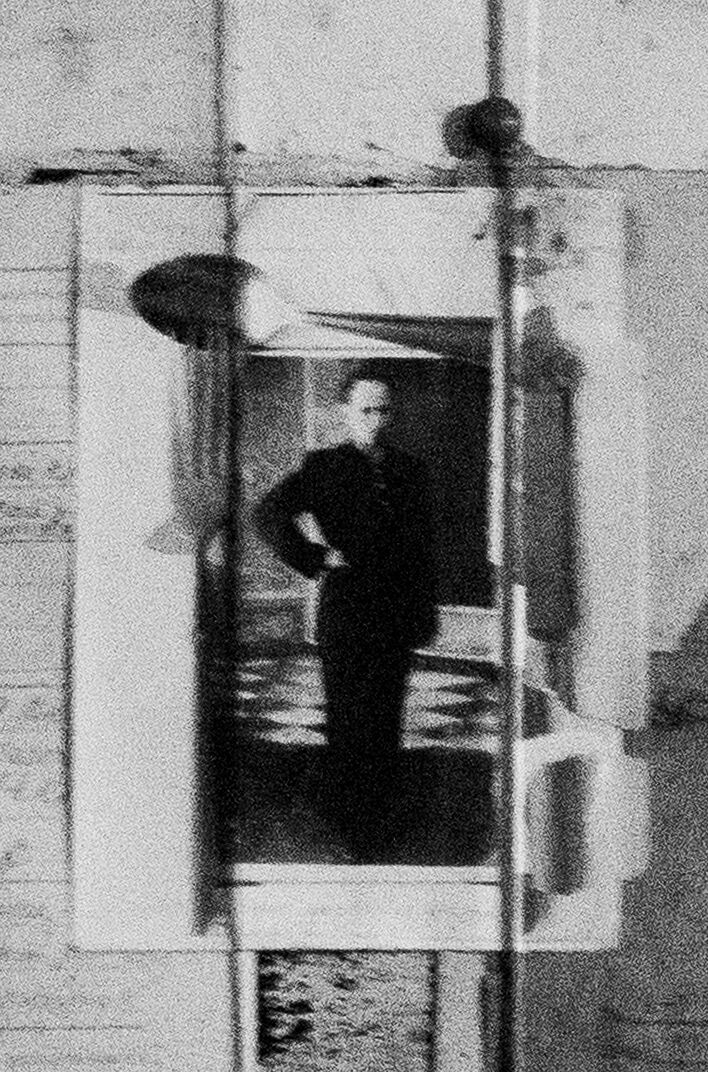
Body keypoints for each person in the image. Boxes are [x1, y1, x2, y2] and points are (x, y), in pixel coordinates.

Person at [254, 364, 438, 861]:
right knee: (348, 718)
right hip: (347, 614)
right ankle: (350, 824)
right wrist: (316, 558)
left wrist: (424, 614)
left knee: (387, 716)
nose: (375, 420)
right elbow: (266, 514)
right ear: (346, 413)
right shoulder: (323, 467)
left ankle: (381, 818)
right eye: (365, 410)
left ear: (392, 414)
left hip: (395, 612)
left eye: (383, 410)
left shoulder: (412, 471)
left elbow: (425, 549)